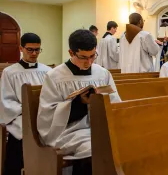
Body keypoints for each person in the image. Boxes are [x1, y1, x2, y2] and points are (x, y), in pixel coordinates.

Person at [37, 29, 121, 175]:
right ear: (71, 53)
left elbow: (115, 103)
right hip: (70, 132)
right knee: (93, 148)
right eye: (83, 57)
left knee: (124, 141)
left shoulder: (102, 73)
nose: (89, 62)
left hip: (100, 128)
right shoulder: (55, 76)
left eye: (92, 56)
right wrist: (79, 103)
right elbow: (47, 115)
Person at [0, 33, 52, 175]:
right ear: (21, 49)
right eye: (30, 50)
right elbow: (6, 101)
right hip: (20, 117)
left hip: (44, 115)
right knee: (22, 134)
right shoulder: (10, 72)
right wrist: (28, 110)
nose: (34, 53)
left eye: (37, 50)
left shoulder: (48, 71)